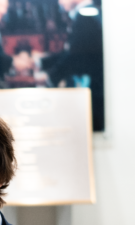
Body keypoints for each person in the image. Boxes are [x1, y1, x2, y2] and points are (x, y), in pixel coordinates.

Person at [40, 0, 104, 130]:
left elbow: (75, 57)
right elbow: (71, 52)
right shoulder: (87, 14)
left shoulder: (85, 16)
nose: (60, 2)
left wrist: (51, 77)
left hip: (94, 92)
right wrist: (41, 62)